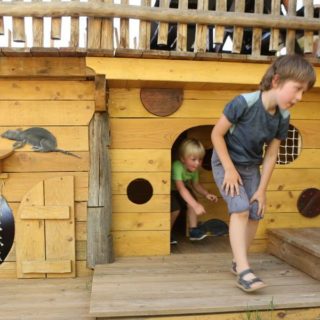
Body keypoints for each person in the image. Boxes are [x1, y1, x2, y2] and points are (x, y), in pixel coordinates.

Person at [211, 54, 316, 292]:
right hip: (225, 162)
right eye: (297, 89)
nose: (300, 97)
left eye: (304, 93)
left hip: (250, 167)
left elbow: (271, 155)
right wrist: (228, 169)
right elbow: (216, 135)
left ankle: (239, 262)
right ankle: (245, 271)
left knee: (255, 211)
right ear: (277, 81)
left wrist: (261, 190)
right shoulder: (243, 103)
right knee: (239, 208)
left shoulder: (283, 118)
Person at [171, 138, 218, 244]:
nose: (197, 163)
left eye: (200, 159)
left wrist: (206, 194)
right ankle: (167, 233)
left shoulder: (194, 169)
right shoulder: (177, 166)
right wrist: (195, 205)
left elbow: (196, 185)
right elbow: (181, 188)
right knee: (175, 209)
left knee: (192, 202)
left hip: (182, 189)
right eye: (193, 159)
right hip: (171, 190)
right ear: (183, 159)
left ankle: (193, 231)